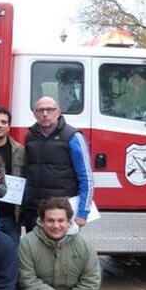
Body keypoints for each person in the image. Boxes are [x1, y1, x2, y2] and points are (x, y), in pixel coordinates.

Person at [18, 196, 105, 290]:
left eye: (61, 220)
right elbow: (27, 279)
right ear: (41, 221)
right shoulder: (28, 243)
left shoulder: (84, 245)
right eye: (50, 220)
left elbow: (91, 281)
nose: (56, 225)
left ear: (69, 221)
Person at [22, 96, 93, 233]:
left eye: (49, 109)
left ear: (58, 112)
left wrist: (83, 212)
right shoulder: (30, 137)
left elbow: (86, 177)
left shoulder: (73, 137)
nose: (45, 114)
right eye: (40, 110)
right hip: (34, 211)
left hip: (61, 214)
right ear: (35, 114)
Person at [0, 106, 25, 245]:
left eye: (4, 122)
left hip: (11, 216)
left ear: (9, 127)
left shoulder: (20, 151)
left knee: (10, 259)